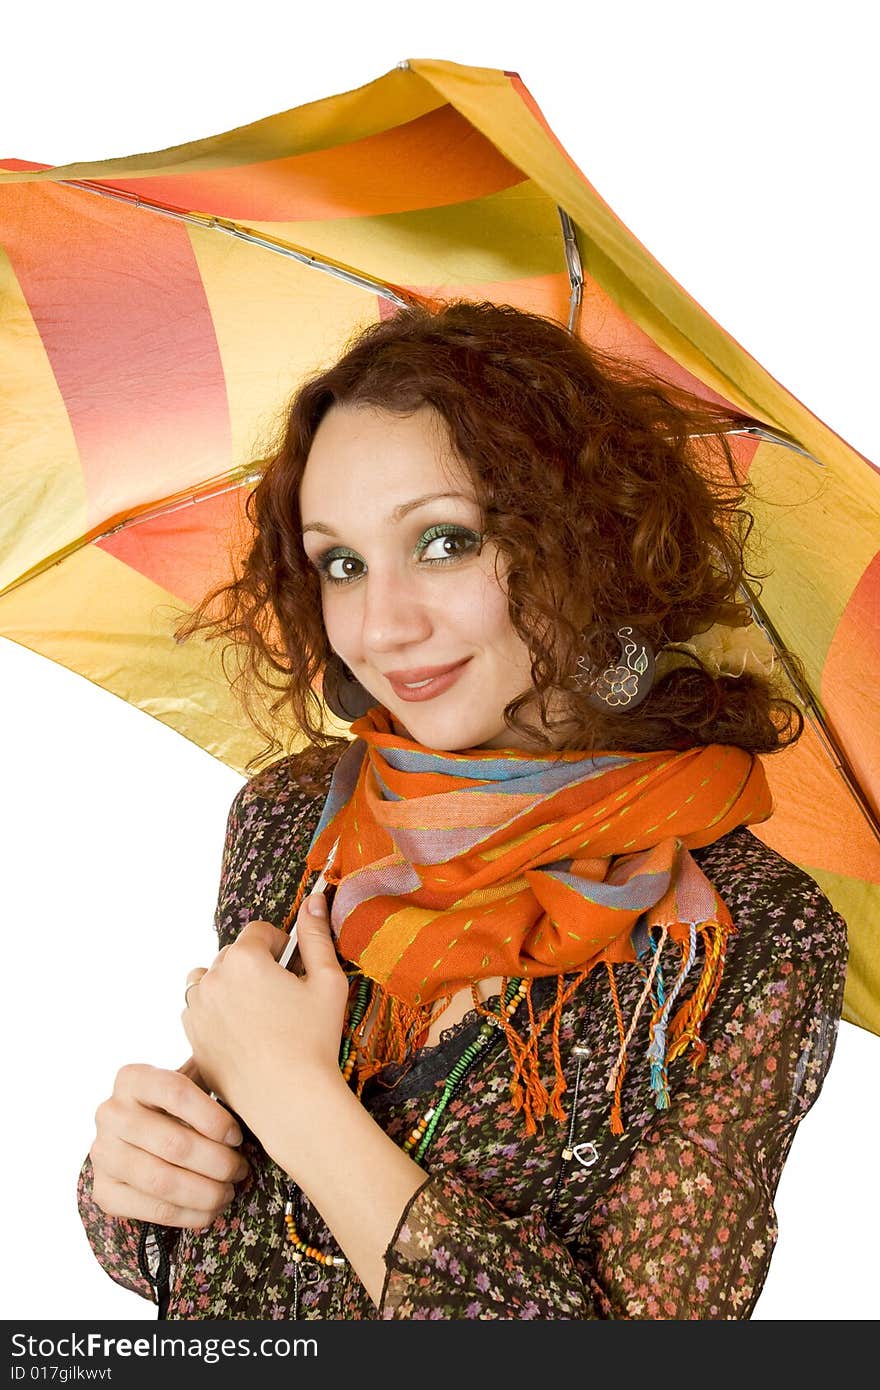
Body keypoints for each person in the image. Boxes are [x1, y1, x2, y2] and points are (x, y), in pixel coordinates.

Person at [77, 300, 848, 1320]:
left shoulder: (751, 930)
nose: (380, 626)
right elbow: (218, 1245)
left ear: (587, 537)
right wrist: (137, 1182)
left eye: (441, 542)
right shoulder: (296, 816)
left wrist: (297, 1101)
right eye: (340, 563)